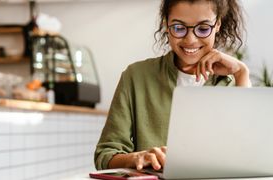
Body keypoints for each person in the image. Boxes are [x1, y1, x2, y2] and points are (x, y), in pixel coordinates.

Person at [95, 0, 250, 172]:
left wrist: (241, 73)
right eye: (178, 28)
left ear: (218, 24)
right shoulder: (136, 76)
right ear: (166, 25)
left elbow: (248, 154)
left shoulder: (233, 83)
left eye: (203, 28)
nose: (190, 40)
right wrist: (136, 157)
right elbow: (105, 155)